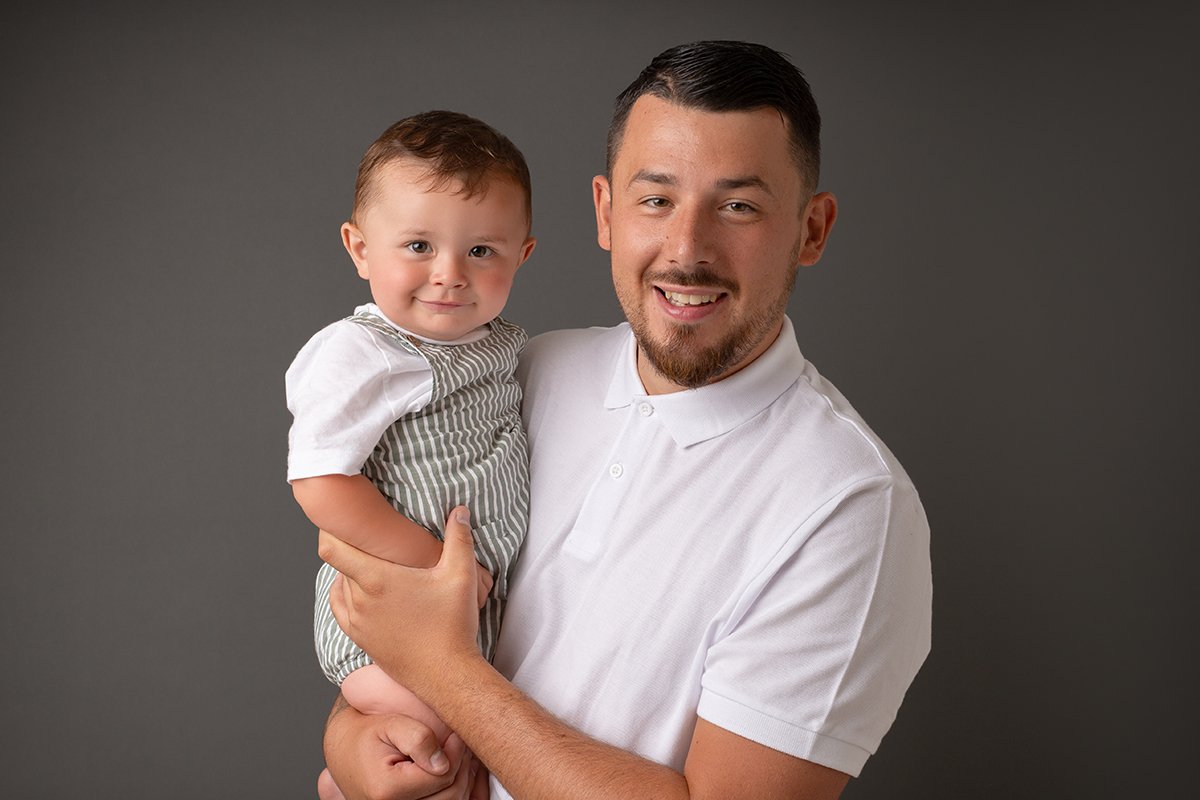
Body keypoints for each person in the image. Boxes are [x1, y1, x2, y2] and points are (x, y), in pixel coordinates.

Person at [318, 40, 932, 800]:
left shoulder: (848, 506)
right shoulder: (522, 373)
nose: (686, 250)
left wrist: (447, 673)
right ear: (607, 212)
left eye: (738, 205)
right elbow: (380, 634)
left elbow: (429, 651)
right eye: (656, 199)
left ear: (812, 229)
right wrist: (350, 743)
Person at [285, 110, 536, 799]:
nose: (450, 274)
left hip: (468, 618)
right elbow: (319, 483)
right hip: (395, 616)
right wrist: (433, 566)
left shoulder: (498, 344)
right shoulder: (362, 352)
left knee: (468, 757)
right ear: (360, 249)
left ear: (523, 253)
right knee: (446, 748)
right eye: (418, 245)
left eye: (482, 251)